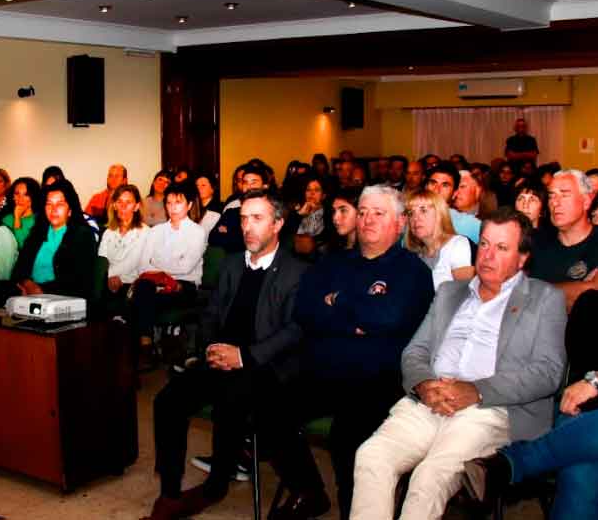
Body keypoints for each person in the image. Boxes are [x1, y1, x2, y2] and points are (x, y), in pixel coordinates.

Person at [464, 212, 598, 520]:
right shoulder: (595, 306)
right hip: (589, 429)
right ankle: (515, 464)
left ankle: (515, 463)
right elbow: (583, 379)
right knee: (584, 449)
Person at [352, 207, 566, 520]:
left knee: (430, 476)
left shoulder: (544, 298)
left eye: (502, 248)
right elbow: (415, 351)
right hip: (430, 399)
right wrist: (424, 384)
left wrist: (476, 391)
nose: (488, 255)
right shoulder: (450, 293)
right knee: (372, 455)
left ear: (522, 259)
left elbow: (548, 372)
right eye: (485, 244)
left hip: (489, 407)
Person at [267, 185, 435, 519]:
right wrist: (354, 316)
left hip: (376, 380)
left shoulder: (413, 271)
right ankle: (309, 491)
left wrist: (336, 303)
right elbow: (304, 310)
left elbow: (387, 318)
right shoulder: (334, 261)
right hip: (322, 370)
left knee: (348, 441)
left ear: (400, 222)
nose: (367, 220)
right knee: (267, 407)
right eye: (362, 212)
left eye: (378, 213)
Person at [141, 191, 308, 520]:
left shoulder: (296, 271)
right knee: (167, 401)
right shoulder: (233, 263)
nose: (247, 226)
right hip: (221, 358)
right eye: (244, 218)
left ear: (277, 224)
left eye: (257, 219)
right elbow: (210, 314)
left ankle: (217, 482)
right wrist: (210, 348)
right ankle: (170, 492)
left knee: (231, 400)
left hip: (264, 365)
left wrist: (243, 356)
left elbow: (294, 331)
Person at [131, 182, 207, 352]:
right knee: (143, 288)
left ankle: (148, 341)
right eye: (169, 202)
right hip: (154, 283)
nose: (172, 208)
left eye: (178, 202)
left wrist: (157, 264)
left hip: (184, 284)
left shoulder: (197, 232)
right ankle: (148, 340)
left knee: (142, 298)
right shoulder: (156, 230)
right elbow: (143, 263)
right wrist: (161, 269)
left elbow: (185, 267)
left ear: (189, 205)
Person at [528, 169, 598, 312]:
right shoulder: (537, 240)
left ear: (586, 201)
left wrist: (538, 291)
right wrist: (578, 287)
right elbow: (519, 293)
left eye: (564, 194)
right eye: (551, 196)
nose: (555, 203)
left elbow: (597, 294)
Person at [12, 179, 98, 300]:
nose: (53, 209)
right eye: (49, 204)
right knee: (1, 288)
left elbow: (78, 282)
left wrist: (41, 290)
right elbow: (19, 268)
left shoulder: (83, 235)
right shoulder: (38, 232)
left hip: (62, 298)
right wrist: (27, 284)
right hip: (29, 293)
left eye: (60, 204)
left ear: (70, 210)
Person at [404, 189, 474, 290]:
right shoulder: (414, 255)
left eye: (423, 210)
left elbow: (464, 294)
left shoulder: (457, 244)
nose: (416, 218)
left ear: (440, 214)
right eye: (411, 213)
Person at [98, 184, 149, 316]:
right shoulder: (108, 232)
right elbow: (102, 261)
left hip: (132, 283)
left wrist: (111, 276)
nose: (123, 206)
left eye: (128, 202)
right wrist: (109, 277)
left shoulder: (145, 232)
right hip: (108, 281)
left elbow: (133, 262)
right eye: (119, 202)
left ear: (136, 206)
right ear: (114, 205)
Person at [209, 165, 269, 253]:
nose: (249, 187)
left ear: (265, 186)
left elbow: (261, 243)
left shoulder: (271, 213)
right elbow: (213, 238)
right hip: (235, 262)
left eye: (253, 182)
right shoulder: (232, 213)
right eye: (245, 182)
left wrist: (229, 233)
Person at [426, 162, 480, 243]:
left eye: (445, 185)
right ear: (426, 187)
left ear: (454, 193)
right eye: (433, 183)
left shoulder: (469, 225)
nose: (437, 190)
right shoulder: (411, 218)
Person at [1, 177, 40, 248]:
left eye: (26, 194)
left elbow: (22, 247)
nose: (20, 198)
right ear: (13, 196)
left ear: (33, 197)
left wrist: (17, 218)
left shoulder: (39, 221)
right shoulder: (6, 219)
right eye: (17, 193)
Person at [293, 175, 326, 257]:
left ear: (323, 195)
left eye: (317, 190)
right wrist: (300, 214)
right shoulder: (297, 212)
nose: (312, 193)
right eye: (308, 190)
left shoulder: (328, 214)